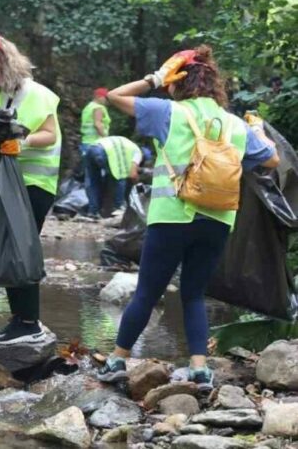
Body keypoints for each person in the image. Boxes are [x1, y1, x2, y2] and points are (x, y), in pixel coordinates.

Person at [97, 46, 279, 389]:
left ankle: (117, 359)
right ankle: (199, 369)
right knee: (193, 294)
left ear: (179, 81)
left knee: (147, 293)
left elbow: (114, 96)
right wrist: (258, 131)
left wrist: (154, 78)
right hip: (217, 220)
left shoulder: (169, 112)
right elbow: (271, 160)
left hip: (172, 218)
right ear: (214, 84)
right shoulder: (235, 124)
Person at [0, 32, 61, 345]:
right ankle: (19, 319)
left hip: (35, 184)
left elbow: (50, 134)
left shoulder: (36, 93)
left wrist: (22, 142)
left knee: (22, 250)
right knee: (9, 250)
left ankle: (30, 322)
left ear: (0, 61)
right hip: (7, 182)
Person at [82, 135, 142, 219]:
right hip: (104, 152)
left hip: (91, 149)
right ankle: (119, 209)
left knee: (93, 181)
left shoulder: (127, 145)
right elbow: (132, 174)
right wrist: (137, 182)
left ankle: (93, 211)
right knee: (120, 177)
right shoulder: (137, 152)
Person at [81, 88, 112, 218]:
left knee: (91, 179)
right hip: (98, 146)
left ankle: (92, 210)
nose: (107, 101)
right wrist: (107, 139)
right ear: (100, 97)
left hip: (85, 145)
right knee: (109, 176)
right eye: (106, 98)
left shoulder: (87, 107)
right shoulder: (98, 108)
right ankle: (108, 209)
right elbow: (98, 124)